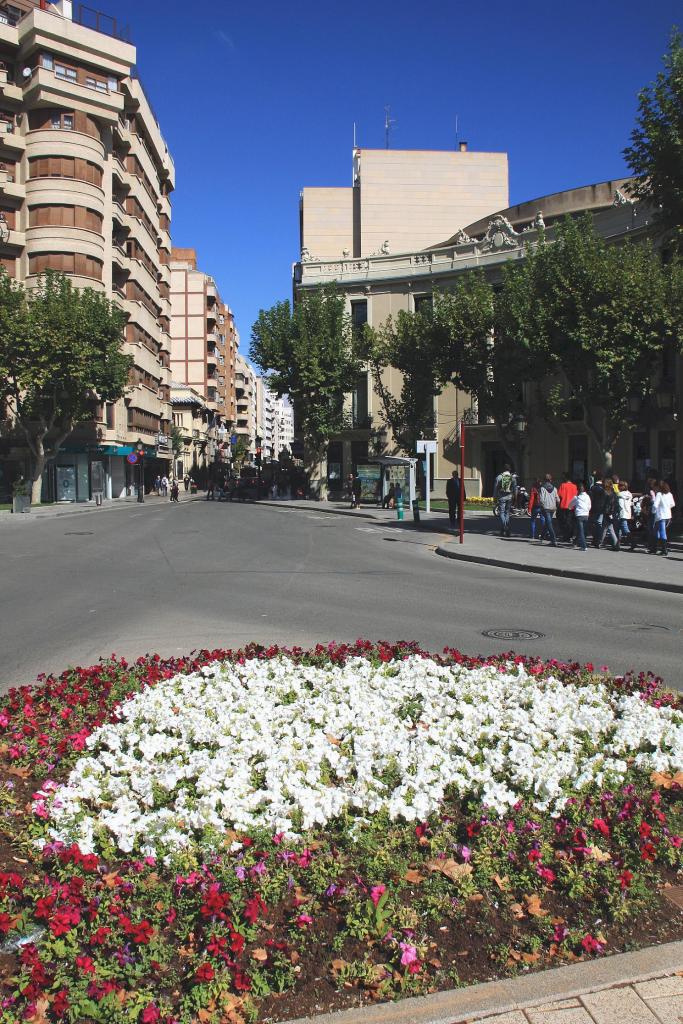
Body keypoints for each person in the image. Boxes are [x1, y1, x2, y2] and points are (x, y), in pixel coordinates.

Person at [493, 464, 517, 537]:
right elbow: (515, 489)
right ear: (509, 470)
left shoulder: (499, 477)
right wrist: (515, 498)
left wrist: (494, 498)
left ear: (503, 469)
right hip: (509, 497)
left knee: (502, 513)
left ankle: (505, 526)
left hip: (501, 497)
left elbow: (495, 488)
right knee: (507, 513)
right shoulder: (512, 478)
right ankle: (504, 529)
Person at [652, 480, 675, 556]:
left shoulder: (659, 494)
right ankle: (655, 548)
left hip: (660, 515)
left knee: (661, 531)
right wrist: (667, 507)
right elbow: (673, 504)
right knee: (657, 530)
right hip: (668, 515)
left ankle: (664, 549)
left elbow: (655, 505)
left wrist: (653, 511)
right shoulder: (669, 494)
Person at [538, 474, 559, 546]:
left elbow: (541, 500)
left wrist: (541, 506)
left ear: (544, 480)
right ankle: (542, 537)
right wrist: (556, 506)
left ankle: (554, 540)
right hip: (553, 508)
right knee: (548, 522)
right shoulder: (555, 488)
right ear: (551, 480)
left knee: (549, 524)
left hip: (546, 508)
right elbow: (558, 500)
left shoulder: (542, 488)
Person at [569, 482, 591, 551]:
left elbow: (570, 505)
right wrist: (586, 511)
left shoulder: (576, 498)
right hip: (586, 515)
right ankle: (575, 542)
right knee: (581, 530)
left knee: (581, 531)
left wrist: (571, 508)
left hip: (579, 515)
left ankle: (584, 546)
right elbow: (589, 506)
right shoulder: (587, 497)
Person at [599, 480, 620, 551]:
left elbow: (603, 504)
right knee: (610, 528)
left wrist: (603, 510)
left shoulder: (605, 493)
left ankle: (600, 542)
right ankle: (616, 543)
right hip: (612, 513)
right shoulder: (614, 493)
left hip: (607, 512)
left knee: (606, 528)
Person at [557, 472, 578, 543]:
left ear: (565, 478)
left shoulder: (563, 485)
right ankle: (570, 536)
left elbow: (560, 495)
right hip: (572, 507)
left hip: (564, 505)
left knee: (564, 522)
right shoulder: (574, 486)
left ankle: (566, 536)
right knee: (571, 522)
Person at [589, 475, 606, 548]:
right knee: (599, 524)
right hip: (601, 509)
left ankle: (595, 539)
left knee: (593, 524)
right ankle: (598, 540)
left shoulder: (593, 488)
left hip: (593, 508)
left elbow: (591, 498)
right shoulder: (604, 488)